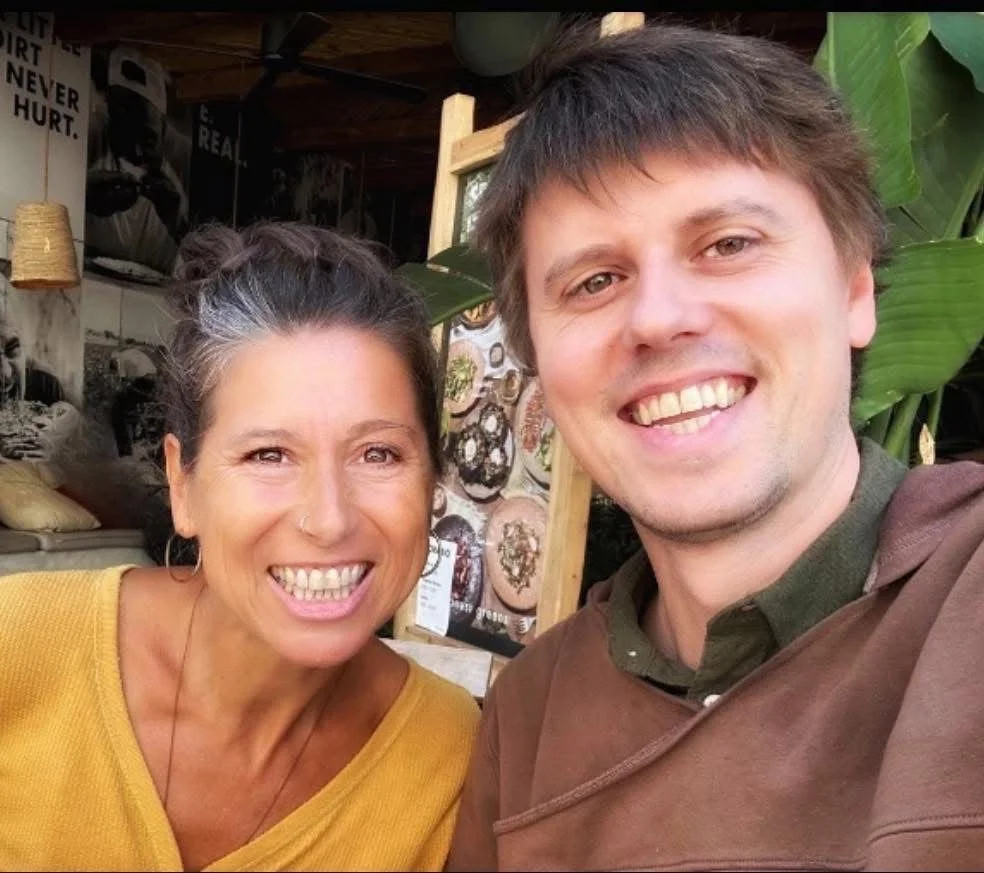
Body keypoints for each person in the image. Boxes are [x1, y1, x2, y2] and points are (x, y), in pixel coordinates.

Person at [446, 20, 984, 872]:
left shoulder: (964, 604)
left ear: (854, 289)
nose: (659, 318)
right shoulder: (532, 716)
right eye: (594, 281)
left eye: (728, 244)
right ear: (541, 372)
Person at [0, 221, 480, 871]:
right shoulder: (20, 640)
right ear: (183, 484)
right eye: (269, 453)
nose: (328, 518)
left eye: (378, 452)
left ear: (432, 482)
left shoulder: (454, 754)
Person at [86, 46, 190, 277]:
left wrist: (175, 221)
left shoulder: (178, 179)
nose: (136, 150)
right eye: (126, 134)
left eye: (147, 138)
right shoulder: (91, 142)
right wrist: (84, 195)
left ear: (163, 131)